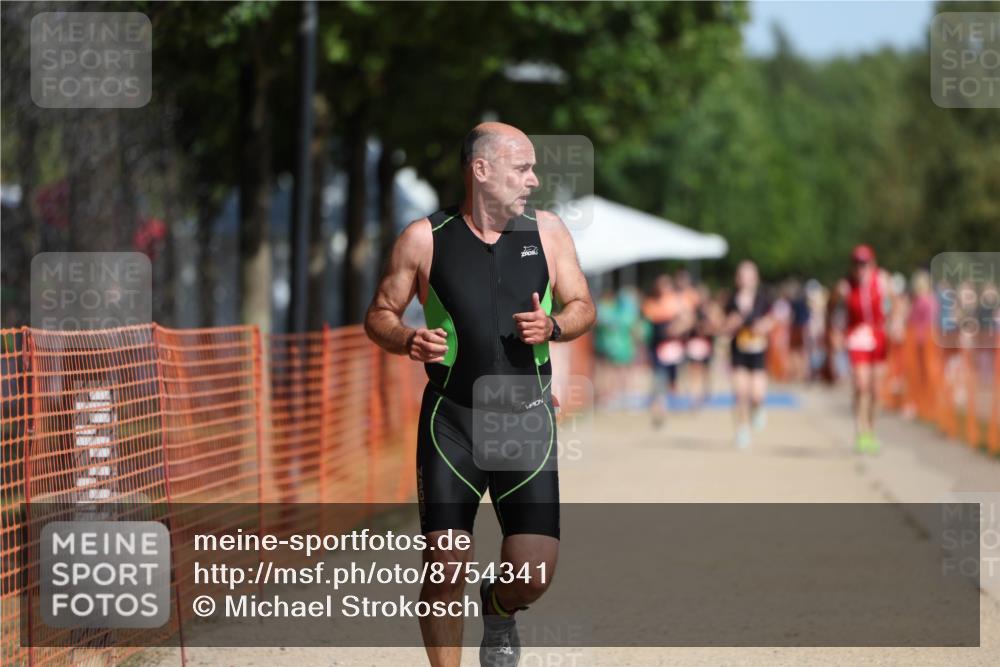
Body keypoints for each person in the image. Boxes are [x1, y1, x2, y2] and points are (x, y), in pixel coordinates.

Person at [364, 122, 595, 667]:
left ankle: (498, 606)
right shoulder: (424, 238)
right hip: (454, 423)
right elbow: (379, 314)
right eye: (523, 168)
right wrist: (407, 339)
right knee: (446, 563)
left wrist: (555, 326)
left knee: (533, 573)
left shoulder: (548, 233)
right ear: (481, 170)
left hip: (527, 420)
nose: (534, 180)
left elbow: (582, 306)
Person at [843, 244, 887, 453]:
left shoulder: (882, 281)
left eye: (864, 264)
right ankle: (860, 431)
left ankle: (871, 429)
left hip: (878, 337)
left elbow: (896, 304)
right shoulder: (847, 287)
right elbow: (836, 311)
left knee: (876, 390)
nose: (860, 268)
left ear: (872, 264)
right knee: (862, 385)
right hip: (857, 337)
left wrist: (895, 321)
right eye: (857, 264)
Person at [724, 261, 773, 449]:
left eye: (749, 276)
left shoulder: (763, 299)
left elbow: (773, 319)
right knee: (740, 394)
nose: (746, 280)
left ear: (756, 279)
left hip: (758, 351)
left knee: (757, 395)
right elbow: (724, 327)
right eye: (742, 276)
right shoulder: (731, 301)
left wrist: (764, 326)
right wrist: (732, 323)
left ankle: (757, 409)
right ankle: (741, 429)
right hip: (738, 352)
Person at [641, 274, 691, 428]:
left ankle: (678, 402)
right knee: (659, 379)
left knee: (673, 380)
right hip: (657, 348)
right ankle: (660, 409)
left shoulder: (677, 302)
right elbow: (645, 324)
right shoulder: (650, 303)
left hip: (673, 347)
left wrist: (675, 329)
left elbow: (688, 320)